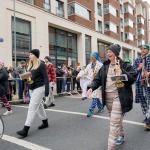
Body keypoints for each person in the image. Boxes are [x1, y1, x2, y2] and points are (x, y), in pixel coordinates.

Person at [87, 44, 136, 150]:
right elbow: (97, 79)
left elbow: (133, 77)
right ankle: (121, 134)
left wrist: (123, 73)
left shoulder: (125, 65)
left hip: (120, 97)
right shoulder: (105, 66)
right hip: (107, 97)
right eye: (107, 51)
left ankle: (110, 147)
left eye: (110, 51)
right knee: (115, 120)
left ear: (116, 53)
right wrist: (91, 87)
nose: (108, 53)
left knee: (114, 122)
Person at [16, 49, 49, 137]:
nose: (29, 55)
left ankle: (25, 129)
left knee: (32, 107)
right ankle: (45, 122)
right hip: (31, 88)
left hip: (39, 87)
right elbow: (30, 77)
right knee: (39, 106)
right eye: (29, 54)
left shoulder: (41, 64)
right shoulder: (30, 65)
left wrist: (47, 91)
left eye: (31, 54)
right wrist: (24, 77)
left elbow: (46, 78)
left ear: (35, 55)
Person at [76, 52, 103, 117]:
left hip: (98, 82)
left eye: (93, 57)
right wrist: (79, 75)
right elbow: (85, 72)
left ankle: (91, 110)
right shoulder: (89, 65)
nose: (92, 58)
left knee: (94, 95)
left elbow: (103, 74)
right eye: (91, 57)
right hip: (91, 82)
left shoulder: (100, 65)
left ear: (96, 57)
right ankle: (101, 107)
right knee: (95, 95)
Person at [133, 44, 150, 130]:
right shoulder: (137, 59)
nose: (142, 50)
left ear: (148, 50)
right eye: (141, 49)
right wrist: (138, 69)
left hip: (148, 82)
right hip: (140, 83)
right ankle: (147, 115)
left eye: (144, 48)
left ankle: (149, 121)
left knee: (149, 100)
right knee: (143, 102)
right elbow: (133, 71)